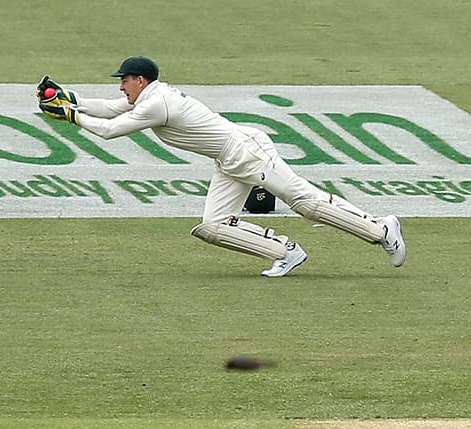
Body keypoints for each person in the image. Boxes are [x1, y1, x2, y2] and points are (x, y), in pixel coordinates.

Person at [35, 56, 405, 277]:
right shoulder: (149, 96)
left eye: (124, 81)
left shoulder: (154, 103)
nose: (120, 87)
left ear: (140, 80)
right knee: (212, 226)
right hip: (229, 158)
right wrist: (72, 99)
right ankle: (286, 252)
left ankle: (381, 229)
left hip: (246, 152)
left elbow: (111, 131)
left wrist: (69, 115)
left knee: (303, 202)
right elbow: (109, 108)